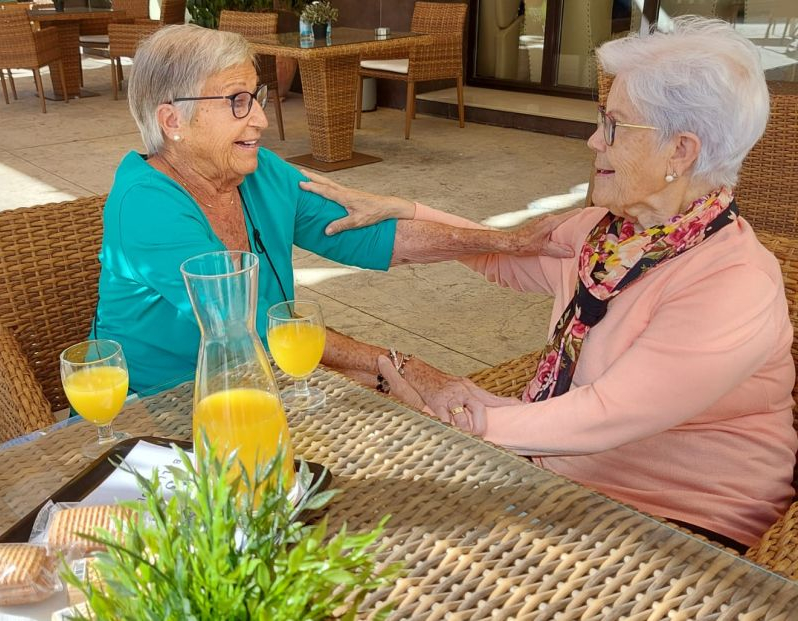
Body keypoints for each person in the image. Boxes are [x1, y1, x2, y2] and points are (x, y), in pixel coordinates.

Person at [300, 17, 797, 551]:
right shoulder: (612, 236)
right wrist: (407, 209)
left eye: (614, 126)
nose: (592, 140)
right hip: (572, 474)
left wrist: (461, 422)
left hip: (684, 523)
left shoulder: (733, 285)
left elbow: (606, 415)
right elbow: (503, 254)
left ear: (680, 151)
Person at [92, 24, 574, 395]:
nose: (259, 118)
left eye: (256, 96)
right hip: (160, 407)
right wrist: (396, 364)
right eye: (238, 101)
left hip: (262, 383)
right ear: (173, 119)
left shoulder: (258, 172)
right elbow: (248, 327)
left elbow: (373, 236)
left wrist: (509, 241)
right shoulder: (145, 205)